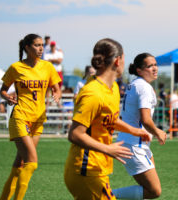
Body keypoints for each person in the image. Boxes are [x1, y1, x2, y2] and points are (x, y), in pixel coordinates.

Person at [63, 38, 151, 200]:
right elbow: (75, 134)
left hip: (97, 168)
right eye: (124, 58)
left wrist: (133, 130)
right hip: (84, 170)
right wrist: (107, 149)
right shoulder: (93, 93)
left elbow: (108, 119)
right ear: (118, 61)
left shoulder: (113, 88)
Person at [0, 33, 62, 200]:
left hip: (38, 120)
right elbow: (3, 90)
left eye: (42, 45)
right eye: (36, 45)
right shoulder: (16, 68)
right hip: (20, 117)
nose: (41, 48)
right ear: (27, 47)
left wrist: (57, 94)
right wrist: (8, 97)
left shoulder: (48, 67)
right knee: (32, 161)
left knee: (20, 164)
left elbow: (57, 88)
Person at [113, 53, 167, 200]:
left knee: (147, 191)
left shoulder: (135, 84)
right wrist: (158, 132)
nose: (155, 68)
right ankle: (104, 196)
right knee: (154, 191)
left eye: (155, 64)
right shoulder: (144, 88)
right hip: (134, 145)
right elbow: (146, 119)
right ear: (139, 70)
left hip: (135, 143)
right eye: (150, 66)